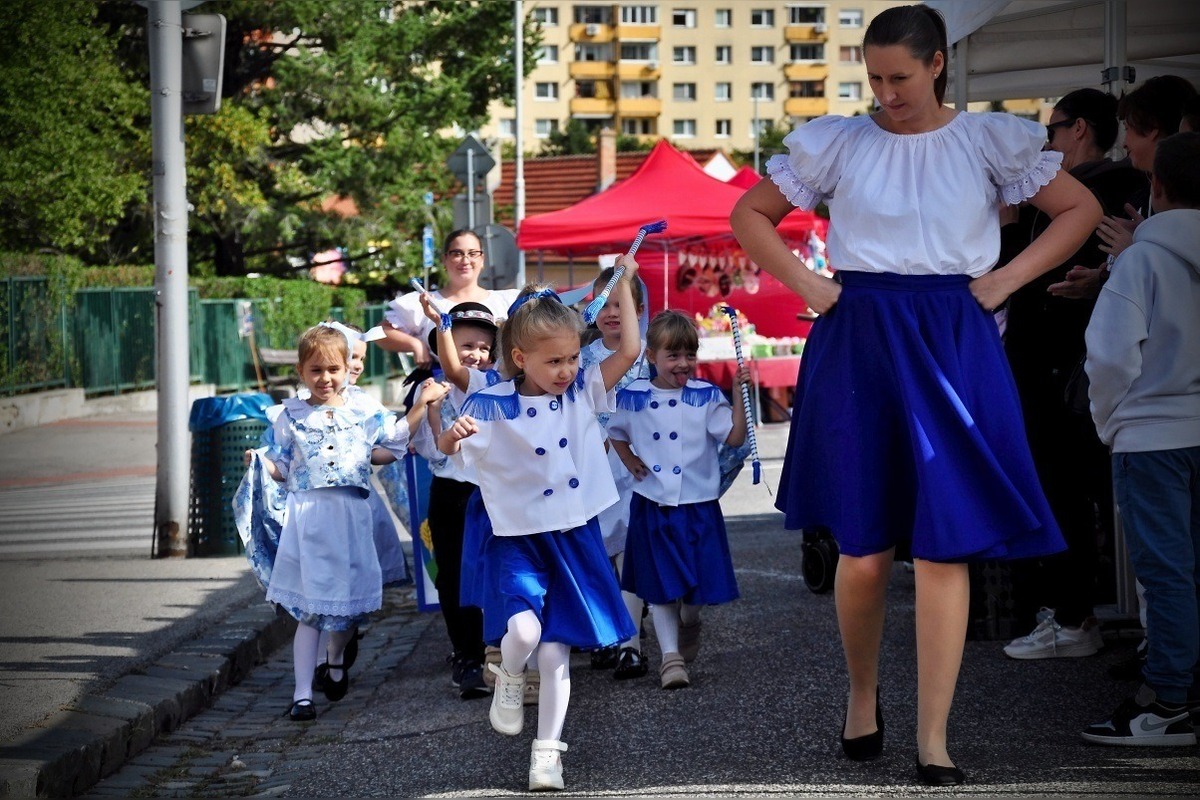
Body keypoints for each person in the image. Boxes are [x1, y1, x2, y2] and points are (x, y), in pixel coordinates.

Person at [730, 4, 1102, 786]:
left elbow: (1080, 211)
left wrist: (1001, 281)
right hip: (859, 333)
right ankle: (862, 696)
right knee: (863, 551)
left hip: (952, 332)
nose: (886, 93)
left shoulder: (987, 138)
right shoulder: (840, 141)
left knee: (945, 542)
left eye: (899, 77)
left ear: (937, 65)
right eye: (874, 78)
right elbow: (750, 214)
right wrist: (811, 285)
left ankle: (935, 738)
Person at [437, 264, 642, 792]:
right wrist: (450, 435)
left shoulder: (581, 394)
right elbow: (448, 453)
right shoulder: (492, 403)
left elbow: (629, 351)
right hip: (516, 535)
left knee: (556, 652)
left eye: (574, 357)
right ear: (521, 358)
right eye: (555, 360)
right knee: (525, 634)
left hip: (572, 534)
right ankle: (508, 673)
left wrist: (623, 282)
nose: (568, 369)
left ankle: (547, 752)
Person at [999, 89, 1147, 660]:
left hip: (1066, 372)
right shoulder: (1112, 190)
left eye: (1052, 133)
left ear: (1079, 128)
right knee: (1076, 493)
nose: (1047, 146)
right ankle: (1071, 614)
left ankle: (1071, 616)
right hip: (1071, 370)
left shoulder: (1096, 193)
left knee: (1065, 491)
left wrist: (1012, 227)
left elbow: (1034, 279)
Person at [251, 323, 447, 721]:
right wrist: (262, 464)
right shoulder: (289, 416)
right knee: (309, 609)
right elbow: (285, 465)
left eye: (333, 369)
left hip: (351, 515)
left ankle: (336, 657)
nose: (325, 378)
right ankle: (302, 693)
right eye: (316, 370)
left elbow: (388, 444)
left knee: (345, 608)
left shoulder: (362, 409)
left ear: (347, 370)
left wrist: (420, 406)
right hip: (308, 518)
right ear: (301, 373)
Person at [1081, 131, 1200, 747]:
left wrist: (1111, 423)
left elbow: (1108, 356)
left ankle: (1169, 702)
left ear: (1156, 187)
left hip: (1152, 434)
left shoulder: (1142, 260)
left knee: (1167, 572)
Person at [607, 310, 748, 690]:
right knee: (661, 585)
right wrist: (629, 459)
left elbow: (733, 439)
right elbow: (614, 431)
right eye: (673, 356)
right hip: (654, 506)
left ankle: (691, 620)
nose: (682, 364)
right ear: (651, 356)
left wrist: (737, 396)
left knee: (695, 591)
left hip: (699, 507)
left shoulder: (705, 396)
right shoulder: (633, 396)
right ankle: (671, 658)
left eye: (689, 355)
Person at [409, 296, 501, 700]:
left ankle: (499, 651)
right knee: (453, 576)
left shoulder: (500, 385)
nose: (476, 355)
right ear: (443, 345)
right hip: (450, 493)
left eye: (484, 347)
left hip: (493, 490)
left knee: (497, 571)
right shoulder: (432, 388)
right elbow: (428, 449)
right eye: (467, 345)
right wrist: (431, 413)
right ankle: (466, 655)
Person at [1049, 75, 1198, 300]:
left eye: (1128, 128)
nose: (1123, 143)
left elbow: (1180, 287)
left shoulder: (1181, 197)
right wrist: (1102, 278)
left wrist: (1135, 251)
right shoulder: (1140, 196)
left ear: (1152, 130)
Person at [579, 267, 651, 679]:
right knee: (601, 552)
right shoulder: (583, 358)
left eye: (619, 303)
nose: (610, 312)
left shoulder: (646, 353)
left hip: (639, 464)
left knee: (630, 550)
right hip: (598, 464)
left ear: (638, 310)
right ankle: (606, 631)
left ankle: (630, 644)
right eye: (602, 304)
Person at [378, 229, 519, 369]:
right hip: (443, 387)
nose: (465, 260)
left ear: (482, 260)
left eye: (473, 253)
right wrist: (415, 345)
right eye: (457, 253)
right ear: (444, 259)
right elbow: (381, 333)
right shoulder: (426, 302)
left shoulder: (506, 302)